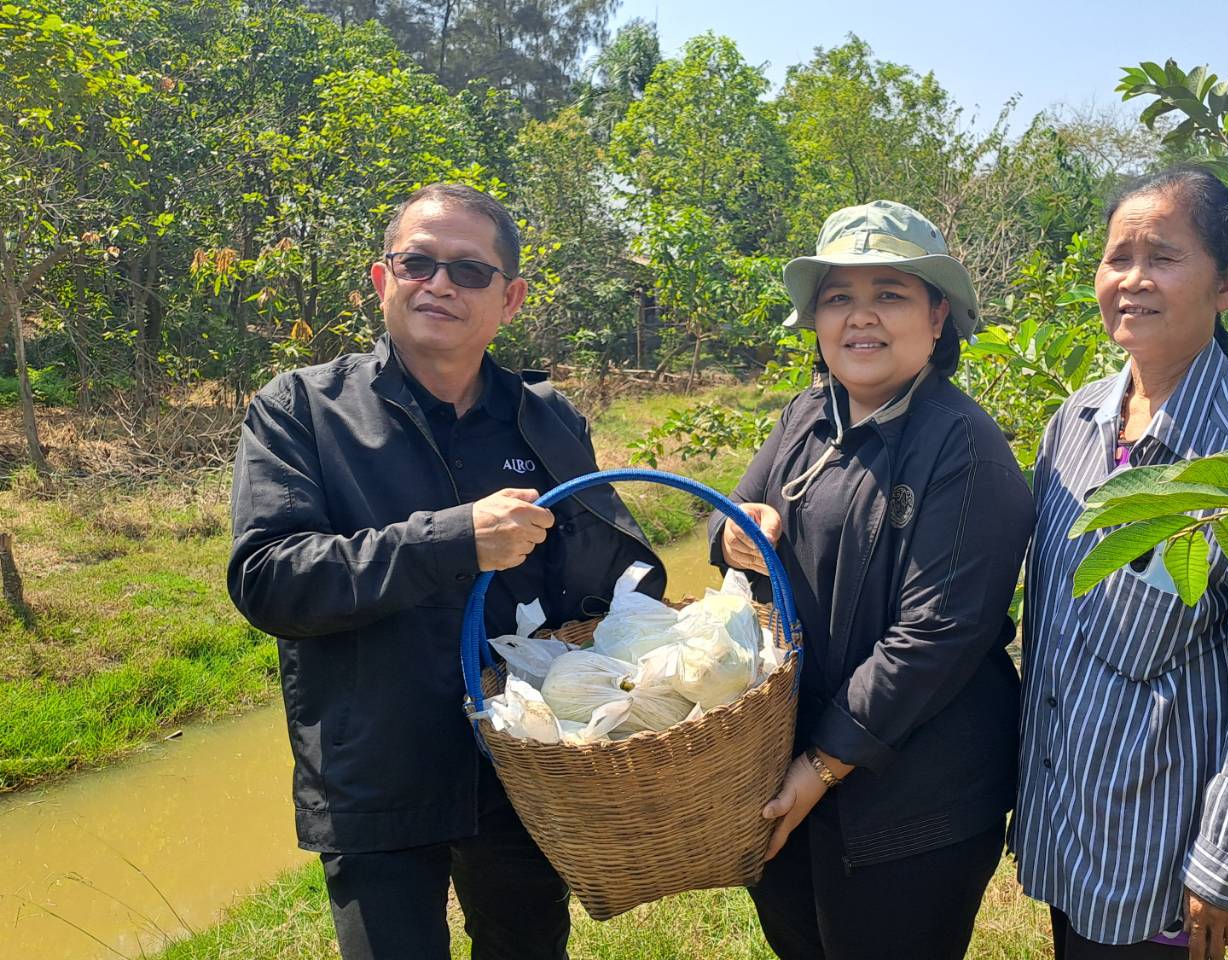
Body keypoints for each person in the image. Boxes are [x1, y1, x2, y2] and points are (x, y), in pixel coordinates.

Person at [227, 183, 662, 960]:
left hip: (523, 764)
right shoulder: (300, 411)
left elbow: (596, 577)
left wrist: (657, 636)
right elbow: (270, 578)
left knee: (527, 946)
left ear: (511, 298)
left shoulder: (547, 418)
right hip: (376, 768)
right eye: (418, 262)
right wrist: (452, 539)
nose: (439, 284)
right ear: (381, 279)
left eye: (469, 271)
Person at [1011, 166, 1228, 960]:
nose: (1132, 280)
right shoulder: (1077, 421)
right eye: (1116, 257)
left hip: (1167, 850)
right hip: (1070, 824)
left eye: (1162, 257)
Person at [711, 200, 1034, 959]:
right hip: (793, 771)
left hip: (912, 803)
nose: (861, 318)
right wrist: (730, 536)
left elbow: (936, 638)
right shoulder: (804, 419)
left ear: (938, 317)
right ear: (816, 325)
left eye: (889, 293)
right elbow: (731, 525)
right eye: (838, 298)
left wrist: (820, 766)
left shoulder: (964, 449)